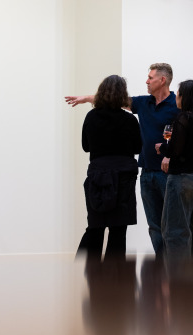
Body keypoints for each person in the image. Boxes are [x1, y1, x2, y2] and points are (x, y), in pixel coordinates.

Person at [66, 63, 180, 256]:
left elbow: (86, 145)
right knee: (137, 228)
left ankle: (172, 269)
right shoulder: (138, 110)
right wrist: (86, 98)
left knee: (97, 227)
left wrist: (169, 153)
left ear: (162, 80)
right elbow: (136, 144)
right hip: (137, 175)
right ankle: (138, 274)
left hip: (159, 173)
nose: (146, 80)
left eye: (150, 77)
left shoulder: (177, 105)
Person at [76, 75, 142, 259]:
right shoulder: (130, 120)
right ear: (123, 94)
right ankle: (116, 283)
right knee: (118, 231)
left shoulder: (92, 116)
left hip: (99, 177)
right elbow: (138, 148)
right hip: (124, 178)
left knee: (95, 227)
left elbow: (85, 146)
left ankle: (87, 277)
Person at [155, 79, 193, 264]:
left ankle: (179, 283)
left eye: (178, 94)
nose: (176, 98)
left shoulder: (183, 118)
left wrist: (162, 148)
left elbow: (174, 150)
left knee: (175, 231)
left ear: (185, 97)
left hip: (182, 180)